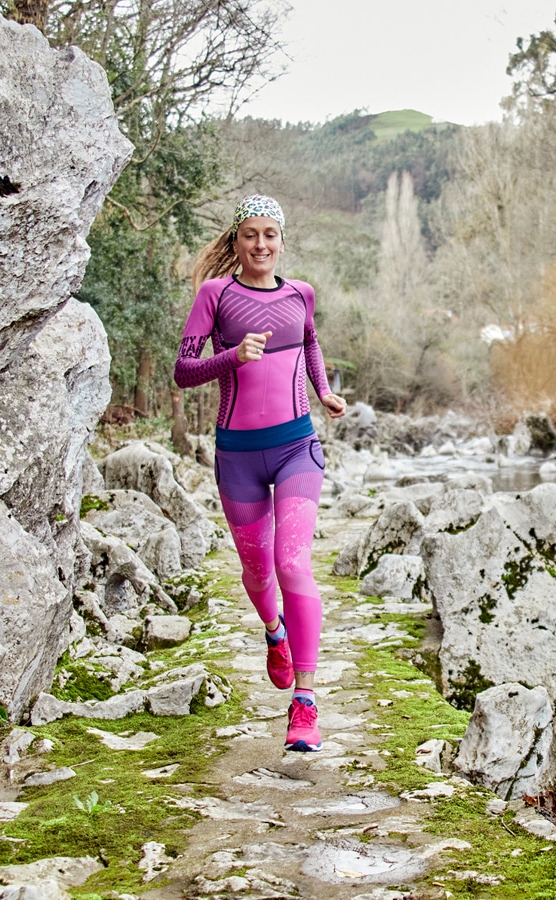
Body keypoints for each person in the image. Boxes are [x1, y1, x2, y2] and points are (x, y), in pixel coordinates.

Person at [174, 195, 345, 752]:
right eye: (251, 234)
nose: (261, 245)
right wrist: (232, 358)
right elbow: (182, 371)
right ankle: (275, 633)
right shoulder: (215, 296)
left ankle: (305, 704)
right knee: (256, 575)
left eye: (270, 234)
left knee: (292, 561)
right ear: (236, 240)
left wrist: (323, 393)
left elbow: (311, 342)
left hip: (296, 446)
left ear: (281, 239)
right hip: (238, 455)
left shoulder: (301, 294)